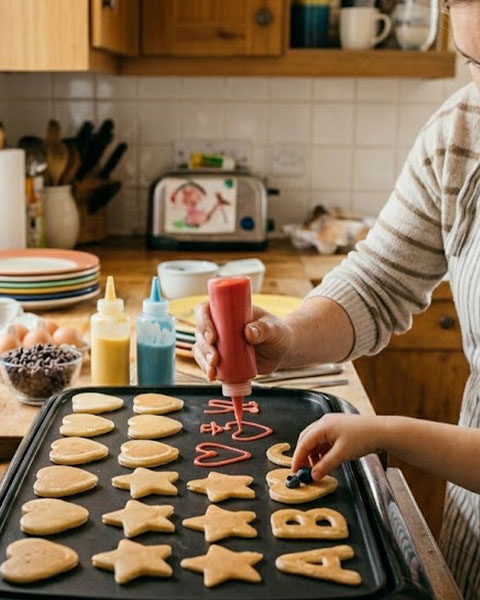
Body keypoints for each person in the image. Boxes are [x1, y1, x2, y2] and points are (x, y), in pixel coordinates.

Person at [193, 2, 480, 596]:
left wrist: (388, 431)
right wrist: (286, 339)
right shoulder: (459, 137)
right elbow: (377, 280)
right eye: (476, 63)